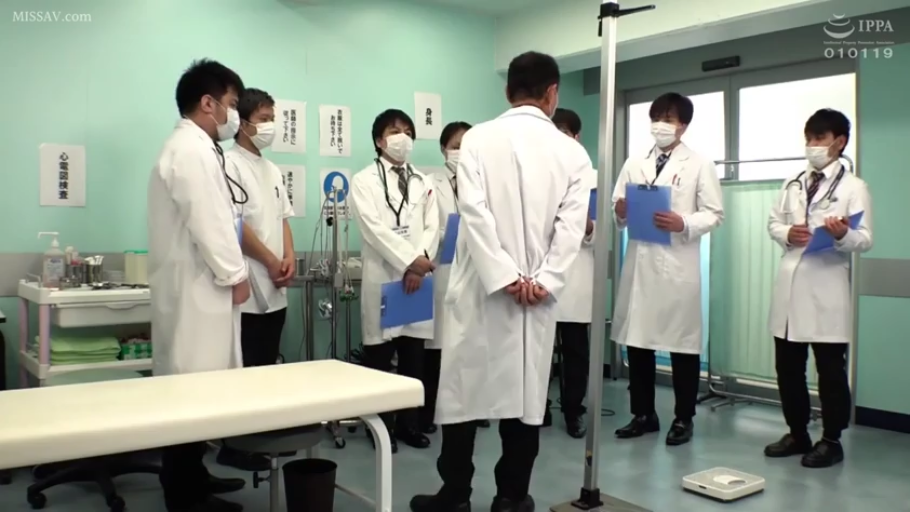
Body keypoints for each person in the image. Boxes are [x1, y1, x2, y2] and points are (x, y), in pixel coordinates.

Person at [410, 51, 591, 512]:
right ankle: (511, 497)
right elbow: (571, 227)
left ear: (508, 90)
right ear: (552, 93)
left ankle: (455, 494)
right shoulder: (573, 152)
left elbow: (474, 213)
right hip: (536, 296)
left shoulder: (476, 139)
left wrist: (503, 275)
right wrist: (542, 279)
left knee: (462, 395)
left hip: (482, 286)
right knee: (525, 398)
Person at [147, 59, 250, 512]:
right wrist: (236, 276)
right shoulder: (190, 150)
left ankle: (195, 477)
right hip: (196, 293)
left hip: (196, 291)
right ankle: (185, 496)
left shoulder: (195, 147)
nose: (234, 114)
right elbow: (209, 223)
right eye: (232, 103)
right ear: (208, 103)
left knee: (197, 394)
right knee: (188, 396)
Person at [610, 92, 724, 447]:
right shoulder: (635, 162)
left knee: (682, 346)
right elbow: (617, 207)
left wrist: (683, 223)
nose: (660, 124)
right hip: (641, 264)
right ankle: (643, 414)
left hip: (677, 265)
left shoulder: (699, 164)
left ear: (683, 125)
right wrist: (620, 211)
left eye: (669, 118)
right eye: (656, 117)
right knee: (639, 343)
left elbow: (714, 214)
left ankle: (683, 418)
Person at [763, 109, 872, 468]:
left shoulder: (854, 187)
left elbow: (865, 238)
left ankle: (831, 440)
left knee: (830, 372)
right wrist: (787, 233)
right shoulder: (793, 182)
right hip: (790, 285)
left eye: (820, 139)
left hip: (827, 288)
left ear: (839, 142)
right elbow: (774, 222)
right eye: (809, 138)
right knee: (788, 369)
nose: (812, 145)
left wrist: (842, 235)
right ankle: (797, 433)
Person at [349, 109, 440, 453]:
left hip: (416, 281)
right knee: (380, 360)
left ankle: (409, 425)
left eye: (407, 131)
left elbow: (432, 226)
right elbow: (373, 230)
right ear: (379, 140)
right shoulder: (363, 181)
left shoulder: (423, 181)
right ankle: (381, 428)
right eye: (394, 131)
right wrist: (409, 263)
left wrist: (418, 266)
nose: (402, 137)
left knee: (413, 358)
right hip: (385, 281)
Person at [216, 88, 296, 472]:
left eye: (272, 118)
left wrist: (289, 258)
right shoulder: (228, 164)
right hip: (247, 285)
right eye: (264, 119)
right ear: (244, 122)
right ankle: (235, 445)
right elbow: (236, 225)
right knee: (244, 368)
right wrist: (269, 260)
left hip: (276, 285)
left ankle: (262, 437)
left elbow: (282, 219)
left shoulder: (272, 170)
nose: (270, 126)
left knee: (266, 366)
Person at [421, 121, 492, 434]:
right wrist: (450, 234)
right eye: (455, 146)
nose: (460, 152)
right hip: (442, 270)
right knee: (436, 351)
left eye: (466, 146)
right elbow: (424, 226)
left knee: (472, 347)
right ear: (443, 149)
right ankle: (430, 413)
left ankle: (474, 409)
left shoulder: (485, 183)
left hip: (475, 274)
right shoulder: (429, 183)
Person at [544, 107, 596, 439]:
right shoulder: (538, 174)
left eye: (565, 132)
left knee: (576, 351)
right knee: (539, 350)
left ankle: (573, 410)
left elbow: (605, 230)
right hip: (542, 275)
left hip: (576, 276)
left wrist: (589, 227)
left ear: (577, 137)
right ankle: (538, 407)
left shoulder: (593, 178)